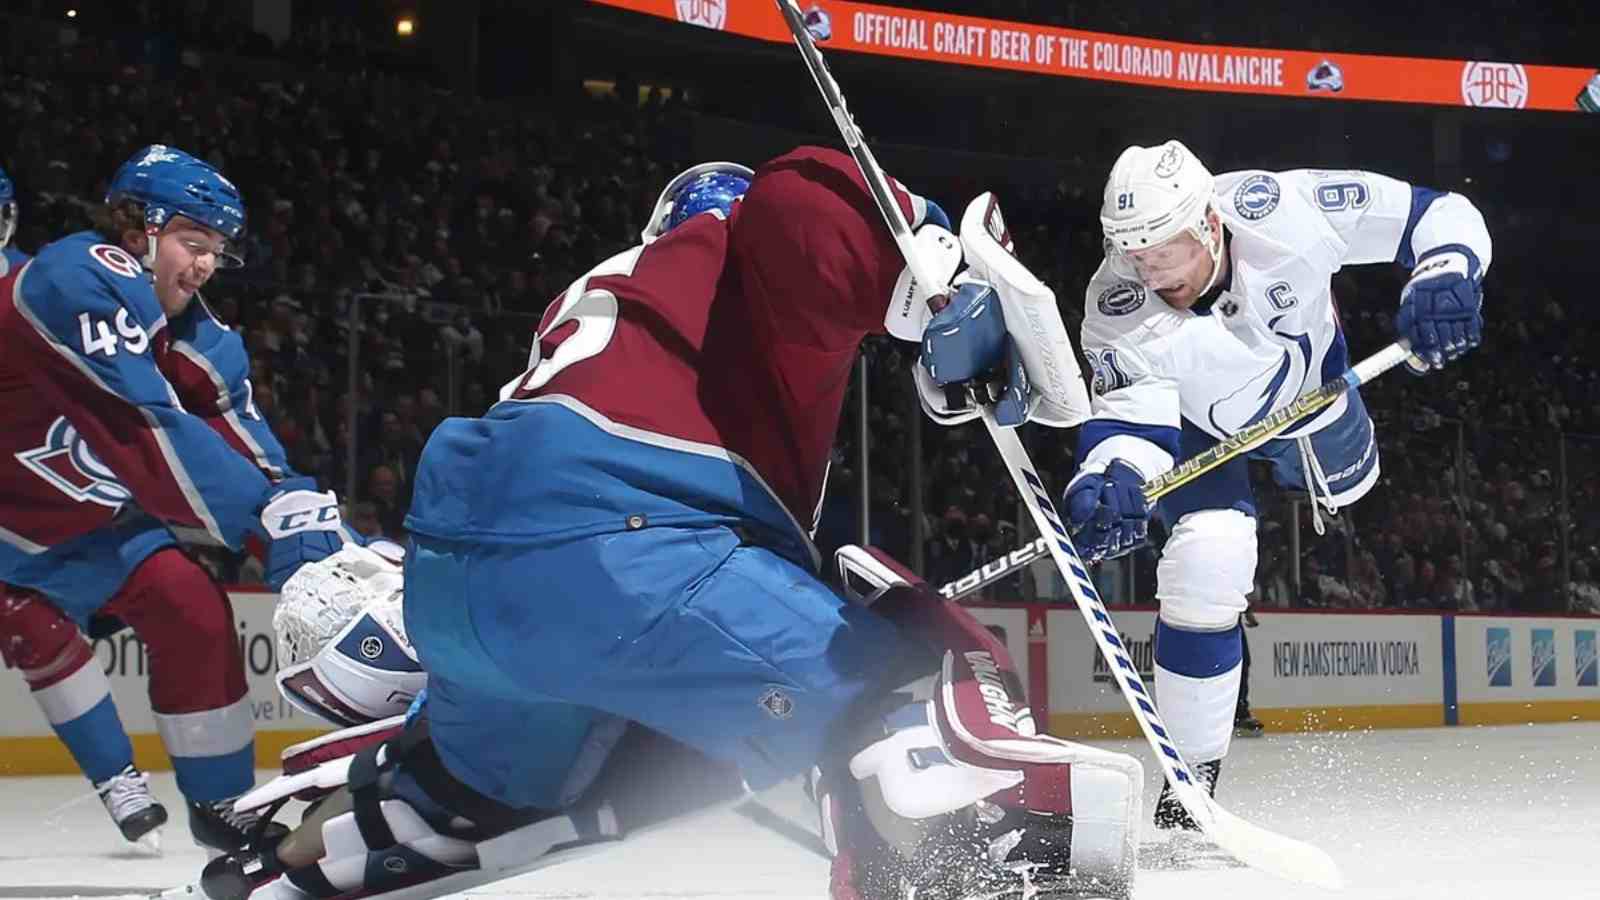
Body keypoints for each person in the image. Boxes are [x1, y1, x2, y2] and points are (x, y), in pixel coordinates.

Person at [195, 148, 1142, 900]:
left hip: (464, 579)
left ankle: (341, 835)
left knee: (497, 786)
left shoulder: (602, 300)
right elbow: (796, 202)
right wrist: (927, 266)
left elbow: (529, 512)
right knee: (905, 672)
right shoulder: (724, 248)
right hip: (623, 547)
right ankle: (961, 860)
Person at [1063, 139, 1491, 829]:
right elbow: (1133, 430)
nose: (1150, 270)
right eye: (1134, 253)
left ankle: (1324, 455)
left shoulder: (1284, 207)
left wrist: (1444, 273)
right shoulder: (1116, 300)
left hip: (1313, 403)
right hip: (1199, 425)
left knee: (1356, 490)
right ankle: (1190, 789)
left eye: (1163, 249)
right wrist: (1111, 479)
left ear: (1208, 222)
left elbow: (1438, 213)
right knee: (1210, 554)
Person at [0, 145, 348, 852]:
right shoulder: (77, 276)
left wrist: (298, 513)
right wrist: (263, 524)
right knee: (31, 627)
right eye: (195, 242)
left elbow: (233, 425)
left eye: (217, 249)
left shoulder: (189, 327)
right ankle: (114, 774)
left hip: (84, 516)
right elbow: (151, 434)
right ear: (139, 229)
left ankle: (221, 804)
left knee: (193, 613)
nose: (207, 266)